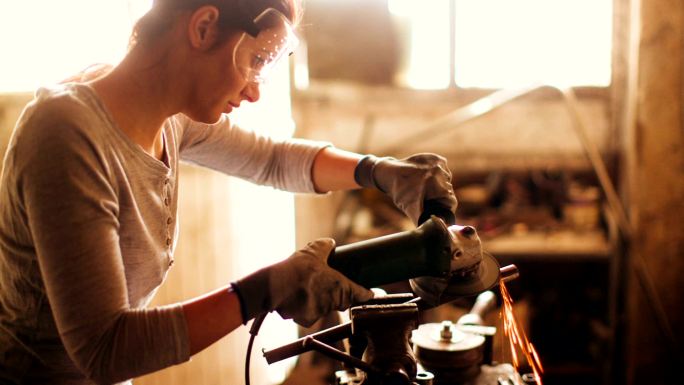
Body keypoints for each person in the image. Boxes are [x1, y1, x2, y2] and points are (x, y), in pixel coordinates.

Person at [0, 0, 458, 383]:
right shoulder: (66, 134)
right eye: (255, 62)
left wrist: (378, 172)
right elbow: (105, 349)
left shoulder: (167, 119)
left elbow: (272, 159)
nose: (256, 91)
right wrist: (265, 288)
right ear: (203, 27)